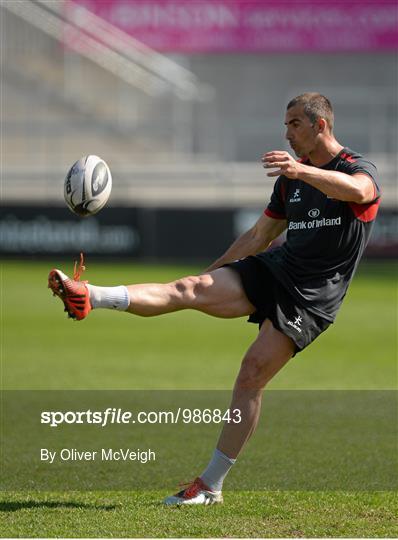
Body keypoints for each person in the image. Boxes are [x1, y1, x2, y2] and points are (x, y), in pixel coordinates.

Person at [48, 93, 380, 506]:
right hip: (278, 269)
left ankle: (210, 486)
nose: (287, 133)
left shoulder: (355, 168)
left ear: (320, 126)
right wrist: (214, 272)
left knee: (251, 373)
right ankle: (90, 296)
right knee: (189, 289)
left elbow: (358, 191)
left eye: (294, 124)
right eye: (286, 124)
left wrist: (300, 171)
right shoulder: (289, 181)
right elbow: (259, 237)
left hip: (312, 298)